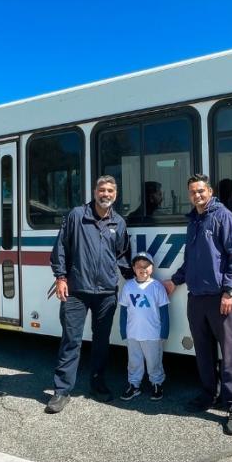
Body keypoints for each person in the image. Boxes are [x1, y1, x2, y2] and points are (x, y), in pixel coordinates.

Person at [164, 173, 232, 435]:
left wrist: (229, 291)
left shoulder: (223, 217)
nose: (197, 196)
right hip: (196, 297)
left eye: (201, 191)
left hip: (219, 297)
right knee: (203, 350)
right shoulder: (194, 221)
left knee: (230, 352)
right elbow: (190, 260)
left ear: (209, 191)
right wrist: (175, 280)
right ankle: (208, 394)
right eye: (192, 192)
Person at [46, 175, 131, 412]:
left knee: (101, 342)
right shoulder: (77, 215)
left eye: (110, 190)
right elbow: (60, 247)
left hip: (106, 292)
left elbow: (123, 256)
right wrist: (61, 277)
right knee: (71, 340)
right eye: (102, 190)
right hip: (76, 291)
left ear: (115, 193)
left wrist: (136, 282)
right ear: (95, 192)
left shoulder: (119, 223)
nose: (106, 194)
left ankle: (97, 385)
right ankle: (61, 391)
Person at [119, 251, 169, 402]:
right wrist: (123, 331)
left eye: (146, 266)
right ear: (133, 268)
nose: (143, 269)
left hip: (153, 334)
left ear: (152, 268)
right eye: (139, 266)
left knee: (154, 361)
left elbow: (164, 312)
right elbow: (123, 311)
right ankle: (134, 385)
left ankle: (157, 383)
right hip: (133, 333)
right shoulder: (128, 287)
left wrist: (164, 332)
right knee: (134, 361)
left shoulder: (157, 287)